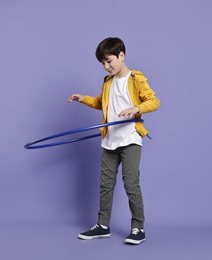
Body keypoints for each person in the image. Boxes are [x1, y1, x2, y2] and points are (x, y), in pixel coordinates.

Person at [68, 37, 160, 245]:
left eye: (109, 61)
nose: (106, 66)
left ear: (122, 55)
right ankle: (102, 225)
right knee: (106, 184)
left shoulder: (136, 78)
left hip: (130, 138)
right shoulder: (107, 82)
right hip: (109, 139)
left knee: (131, 183)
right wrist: (84, 99)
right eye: (102, 63)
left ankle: (138, 228)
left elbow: (153, 101)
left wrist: (137, 108)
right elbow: (103, 103)